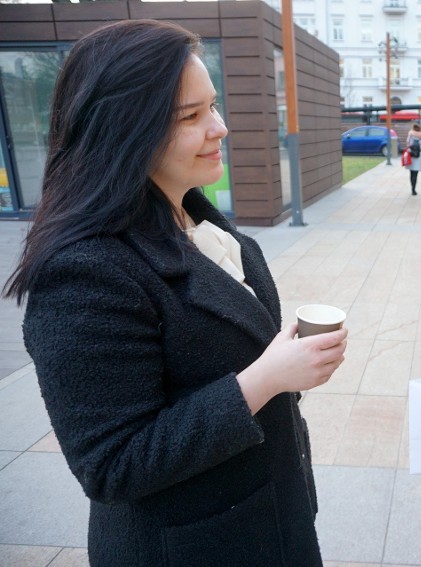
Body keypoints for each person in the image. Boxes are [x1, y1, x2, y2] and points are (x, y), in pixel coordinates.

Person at [3, 20, 348, 566]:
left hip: (266, 518)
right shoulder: (85, 272)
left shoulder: (195, 215)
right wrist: (266, 378)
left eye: (212, 106)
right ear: (123, 128)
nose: (220, 128)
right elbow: (113, 463)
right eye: (191, 116)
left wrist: (287, 362)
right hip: (191, 546)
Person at [405, 123, 421, 196]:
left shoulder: (410, 135)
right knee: (416, 174)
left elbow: (407, 144)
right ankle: (414, 189)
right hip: (418, 156)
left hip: (411, 156)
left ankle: (412, 188)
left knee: (411, 173)